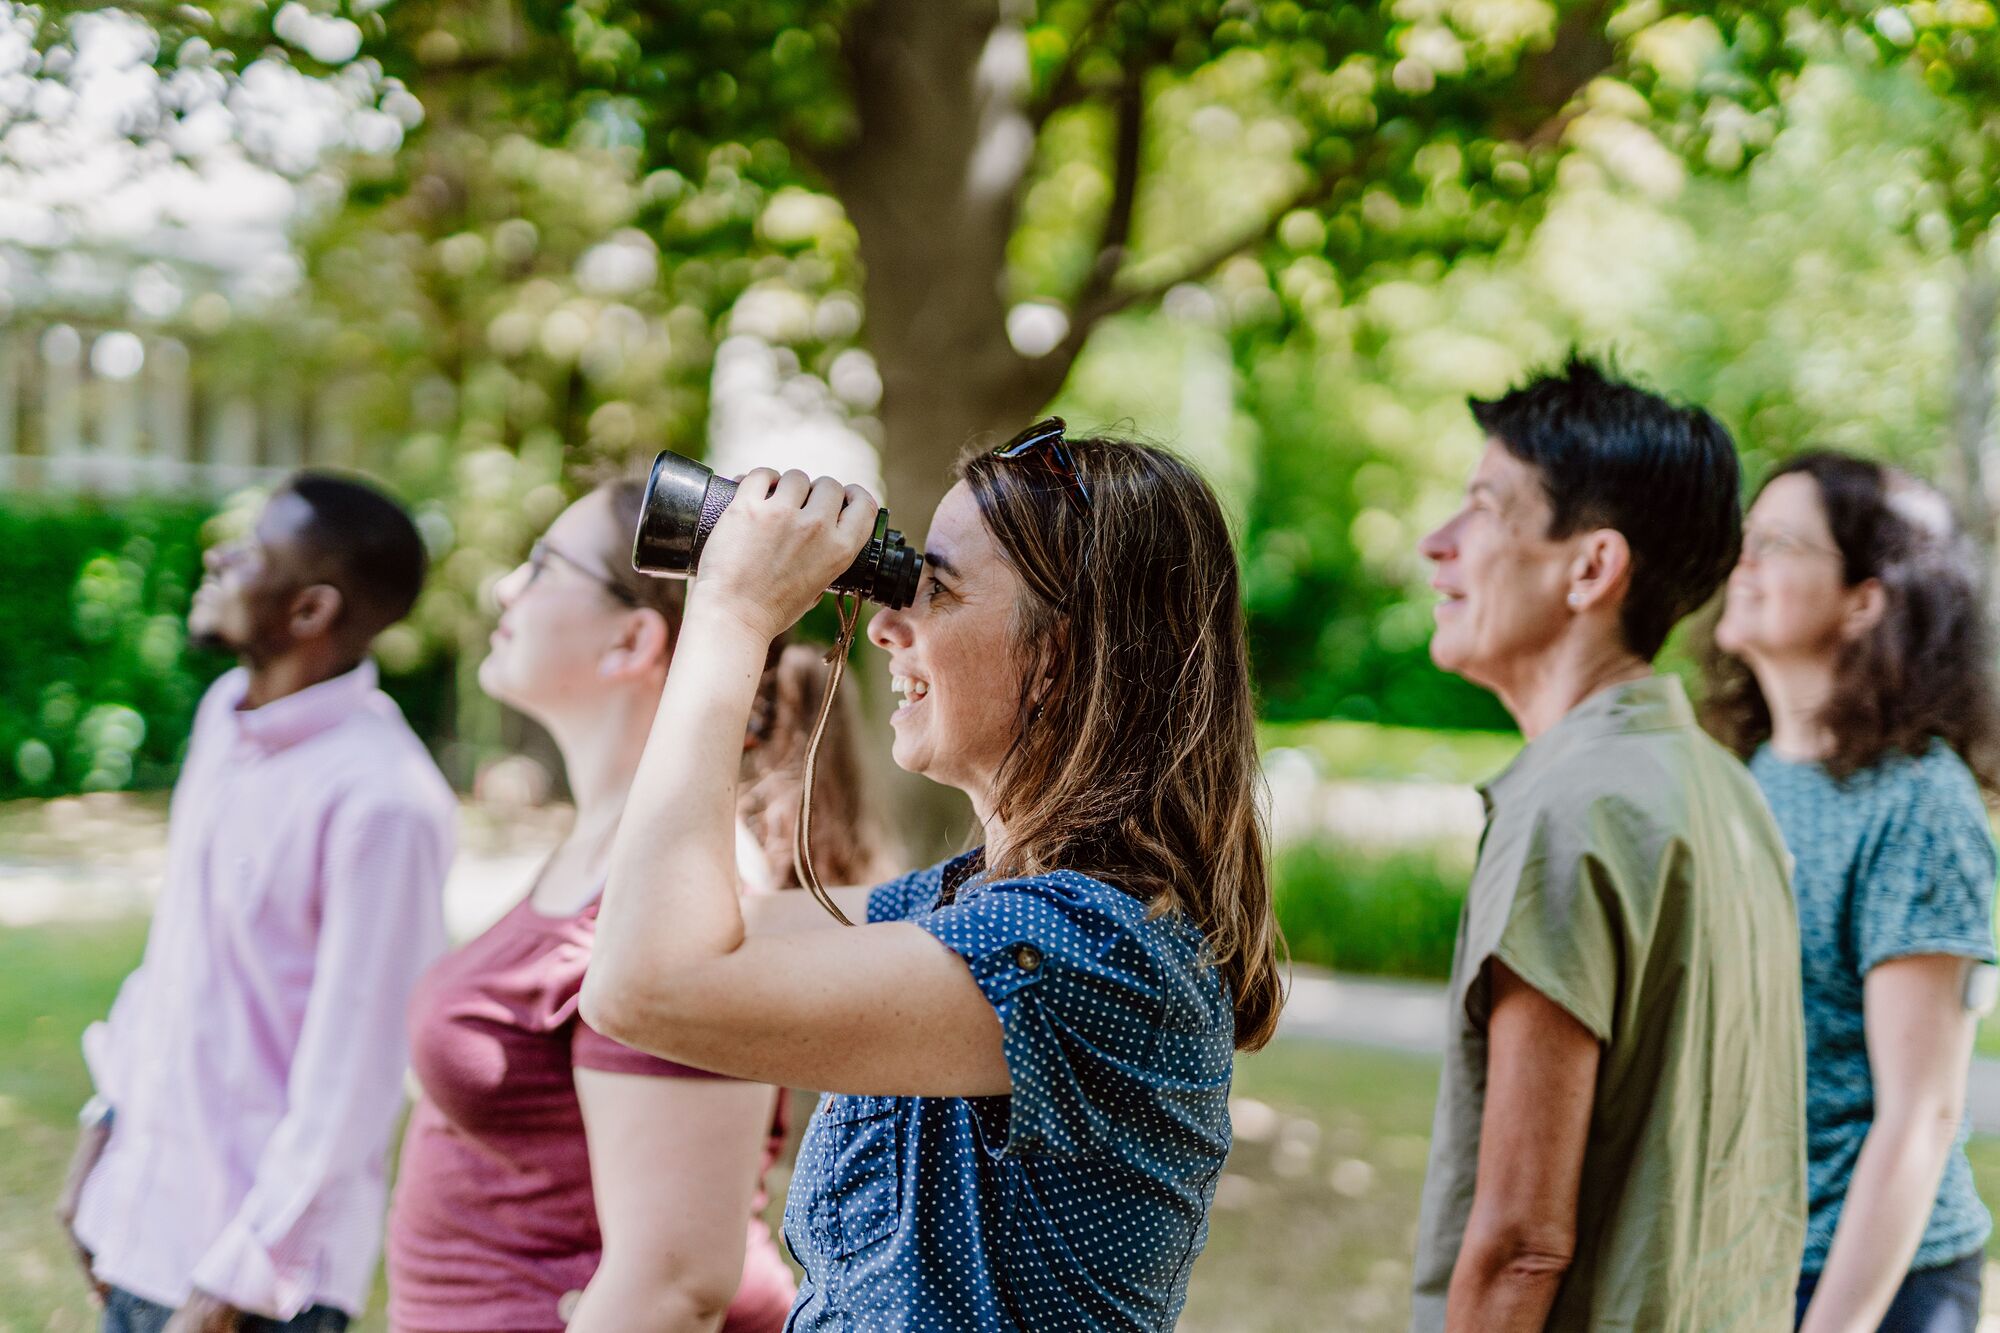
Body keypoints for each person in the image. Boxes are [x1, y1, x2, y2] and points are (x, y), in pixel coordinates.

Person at [580, 422, 1285, 1331]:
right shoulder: (964, 902)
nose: (884, 624)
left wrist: (730, 618)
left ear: (1060, 653)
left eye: (935, 591)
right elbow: (669, 927)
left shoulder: (1087, 948)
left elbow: (644, 986)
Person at [385, 480, 892, 1333]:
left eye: (542, 567)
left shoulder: (685, 889)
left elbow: (676, 1282)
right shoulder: (600, 848)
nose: (504, 588)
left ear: (632, 638)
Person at [1407, 359, 1806, 1331]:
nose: (1435, 546)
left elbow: (1520, 1246)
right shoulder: (1722, 789)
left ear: (1589, 567)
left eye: (1481, 511)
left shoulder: (1568, 805)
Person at [55, 474, 456, 1333]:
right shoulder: (222, 718)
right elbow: (177, 962)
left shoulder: (384, 799)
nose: (217, 557)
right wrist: (102, 1133)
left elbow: (357, 1075)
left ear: (310, 610)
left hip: (249, 1289)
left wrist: (237, 1279)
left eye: (249, 550)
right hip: (143, 1230)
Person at [1708, 451, 2000, 1333]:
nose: (1741, 563)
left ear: (1866, 599)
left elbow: (1923, 1113)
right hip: (1752, 1262)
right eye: (1744, 539)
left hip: (1877, 1288)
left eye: (1780, 543)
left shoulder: (1918, 801)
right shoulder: (1754, 772)